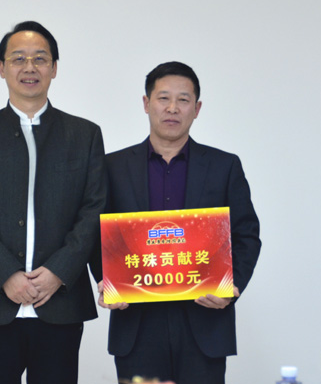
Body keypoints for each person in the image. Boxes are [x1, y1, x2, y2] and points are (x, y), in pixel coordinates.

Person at [0, 21, 106, 384]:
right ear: (2, 68)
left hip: (61, 302)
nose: (29, 67)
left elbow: (94, 210)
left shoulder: (84, 135)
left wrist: (58, 272)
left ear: (54, 68)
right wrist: (5, 273)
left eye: (40, 58)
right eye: (18, 58)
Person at [96, 61, 261, 384]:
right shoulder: (112, 167)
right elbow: (97, 235)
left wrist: (231, 288)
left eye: (183, 100)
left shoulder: (224, 166)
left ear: (196, 109)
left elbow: (247, 235)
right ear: (146, 103)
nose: (172, 108)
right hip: (137, 323)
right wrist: (106, 281)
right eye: (163, 98)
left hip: (204, 322)